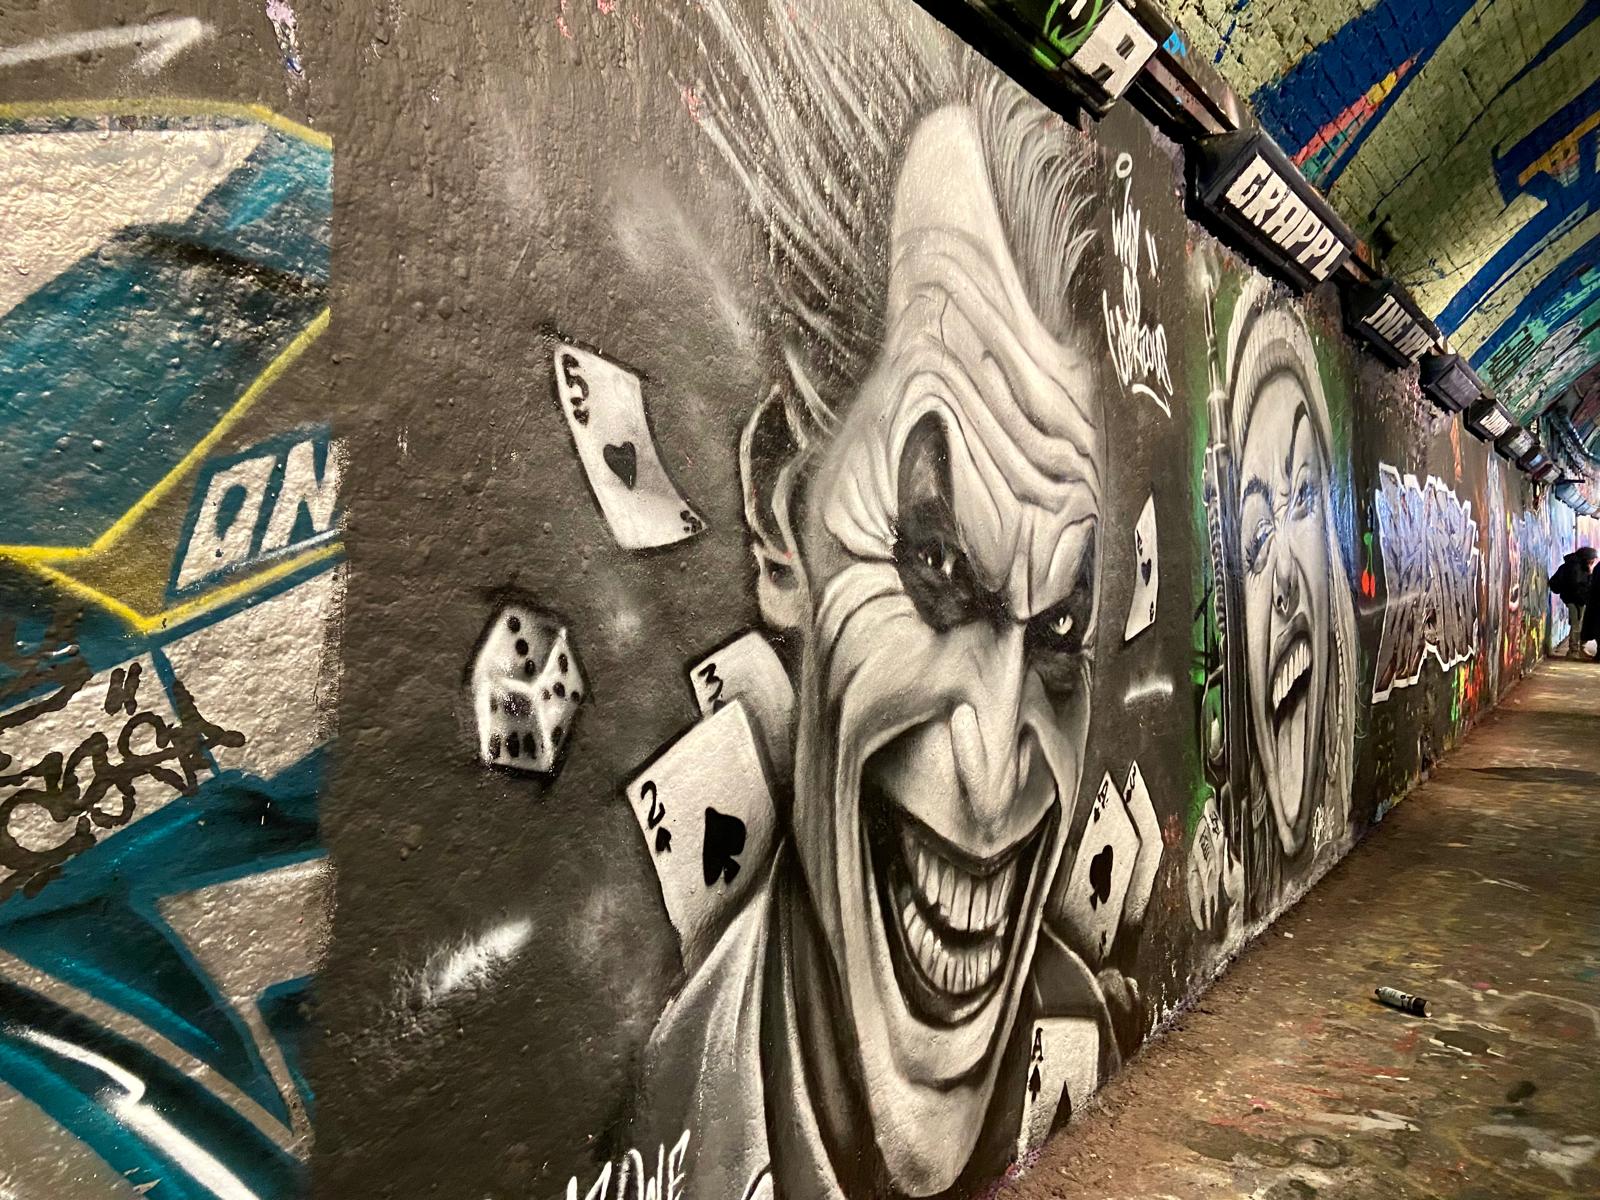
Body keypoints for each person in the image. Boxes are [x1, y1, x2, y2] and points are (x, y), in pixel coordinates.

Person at [1550, 546, 1596, 658]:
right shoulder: (1575, 568)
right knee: (1577, 624)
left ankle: (1578, 649)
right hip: (1575, 600)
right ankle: (1573, 651)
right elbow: (1576, 586)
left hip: (1574, 599)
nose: (1593, 562)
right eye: (1592, 560)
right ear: (1586, 558)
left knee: (1579, 624)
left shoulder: (1576, 565)